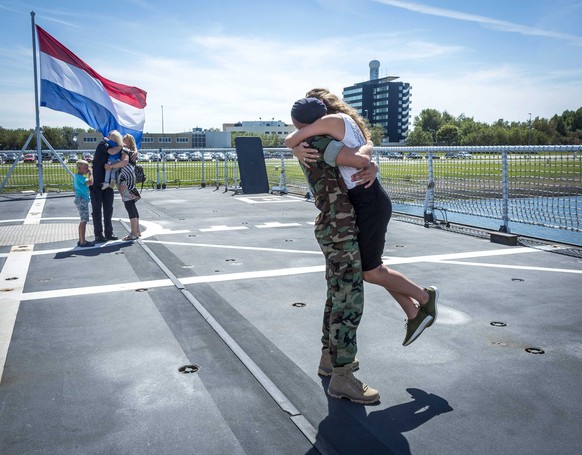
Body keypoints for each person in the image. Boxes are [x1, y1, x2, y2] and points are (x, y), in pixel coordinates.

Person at [286, 91, 439, 347]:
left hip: (368, 203)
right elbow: (365, 150)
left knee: (370, 272)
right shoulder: (342, 121)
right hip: (366, 200)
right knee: (375, 266)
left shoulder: (330, 122)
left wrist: (296, 146)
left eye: (301, 125)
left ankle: (425, 297)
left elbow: (293, 139)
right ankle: (414, 314)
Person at [284, 96, 382, 404]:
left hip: (332, 227)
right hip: (339, 229)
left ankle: (329, 360)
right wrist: (370, 155)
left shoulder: (308, 142)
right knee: (349, 302)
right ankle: (342, 378)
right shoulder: (321, 143)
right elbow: (360, 160)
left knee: (336, 296)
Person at [104, 133, 141, 241]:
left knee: (129, 205)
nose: (121, 139)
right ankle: (137, 231)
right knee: (132, 205)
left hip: (125, 181)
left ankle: (133, 233)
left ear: (128, 142)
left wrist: (111, 166)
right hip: (130, 179)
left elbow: (124, 162)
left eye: (124, 138)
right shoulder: (132, 151)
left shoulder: (125, 150)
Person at [90, 131, 122, 243]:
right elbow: (112, 151)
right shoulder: (103, 144)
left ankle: (109, 232)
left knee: (108, 209)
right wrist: (120, 145)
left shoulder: (116, 146)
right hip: (97, 183)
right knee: (97, 210)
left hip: (108, 184)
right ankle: (98, 234)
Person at [73, 159, 94, 248]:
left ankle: (81, 239)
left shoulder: (77, 177)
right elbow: (90, 182)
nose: (87, 169)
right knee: (84, 220)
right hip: (82, 200)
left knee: (83, 220)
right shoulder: (79, 177)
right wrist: (91, 173)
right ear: (79, 168)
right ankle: (83, 241)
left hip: (81, 199)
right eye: (85, 168)